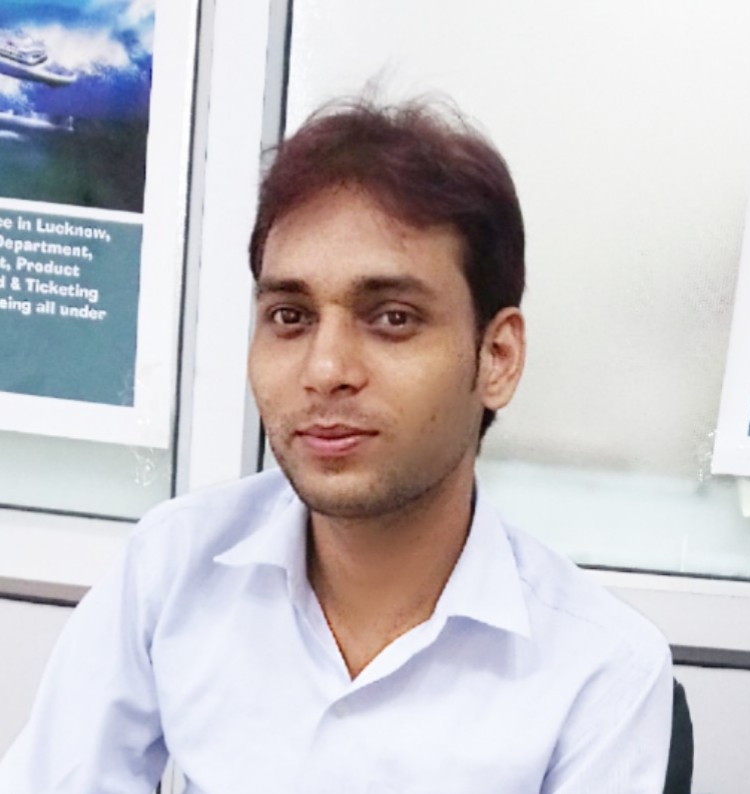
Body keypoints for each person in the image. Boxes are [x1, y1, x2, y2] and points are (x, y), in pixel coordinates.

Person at [0, 98, 672, 793]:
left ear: (496, 357)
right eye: (290, 316)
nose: (325, 370)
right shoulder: (173, 568)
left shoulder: (600, 669)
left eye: (393, 318)